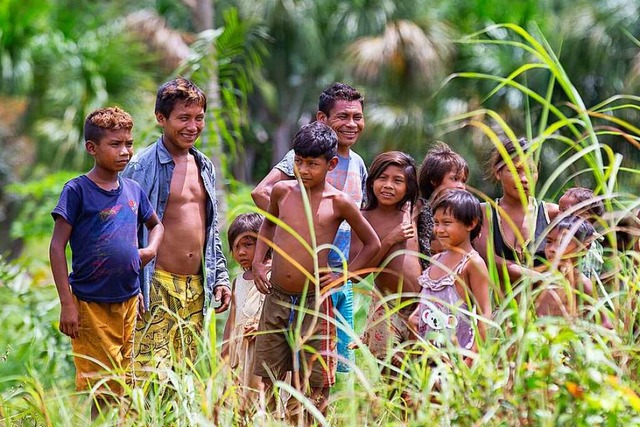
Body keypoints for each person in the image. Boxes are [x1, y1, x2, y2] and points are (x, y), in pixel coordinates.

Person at [251, 122, 380, 422]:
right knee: (269, 372)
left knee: (317, 378)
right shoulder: (282, 192)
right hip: (278, 297)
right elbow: (268, 224)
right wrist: (259, 261)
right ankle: (272, 420)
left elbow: (372, 244)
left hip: (316, 301)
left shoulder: (340, 203)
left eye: (312, 164)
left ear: (331, 164)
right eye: (299, 161)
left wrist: (344, 276)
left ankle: (311, 421)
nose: (304, 170)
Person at [49, 107, 164, 419]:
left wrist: (150, 250)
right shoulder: (77, 190)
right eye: (115, 144)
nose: (125, 151)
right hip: (89, 304)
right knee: (102, 385)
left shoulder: (133, 190)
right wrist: (67, 304)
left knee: (125, 380)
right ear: (92, 148)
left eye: (129, 143)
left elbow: (156, 225)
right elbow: (57, 248)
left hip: (128, 302)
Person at [252, 82, 368, 373]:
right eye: (343, 117)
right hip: (292, 280)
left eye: (357, 116)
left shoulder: (358, 165)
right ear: (323, 120)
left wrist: (350, 273)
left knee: (329, 366)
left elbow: (365, 226)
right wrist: (296, 233)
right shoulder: (301, 157)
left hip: (335, 280)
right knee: (279, 365)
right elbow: (261, 193)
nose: (351, 124)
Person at [121, 77, 231, 373]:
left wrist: (220, 276)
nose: (192, 127)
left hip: (197, 287)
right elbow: (126, 228)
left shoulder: (204, 165)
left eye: (199, 118)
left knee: (184, 376)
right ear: (161, 118)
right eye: (183, 118)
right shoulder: (143, 165)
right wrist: (134, 284)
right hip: (156, 284)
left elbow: (211, 229)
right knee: (148, 374)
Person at [350, 151, 423, 366]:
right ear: (371, 181)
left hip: (420, 303)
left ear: (409, 186)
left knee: (422, 369)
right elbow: (356, 274)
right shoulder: (363, 218)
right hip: (387, 305)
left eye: (398, 180)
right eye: (382, 178)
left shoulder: (415, 210)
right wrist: (389, 240)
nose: (388, 185)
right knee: (392, 369)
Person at [410, 189, 491, 362]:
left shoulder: (471, 264)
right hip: (428, 356)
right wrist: (416, 314)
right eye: (436, 223)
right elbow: (429, 297)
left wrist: (471, 358)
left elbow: (485, 314)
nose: (439, 230)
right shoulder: (436, 259)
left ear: (471, 223)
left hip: (457, 359)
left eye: (446, 223)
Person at [475, 137, 559, 293]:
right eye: (515, 171)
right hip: (498, 312)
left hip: (544, 312)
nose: (524, 179)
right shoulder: (484, 213)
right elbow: (489, 259)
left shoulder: (552, 214)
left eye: (530, 171)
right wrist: (541, 277)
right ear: (498, 172)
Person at [222, 213, 268, 414]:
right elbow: (231, 322)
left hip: (265, 350)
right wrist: (224, 353)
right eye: (236, 246)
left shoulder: (275, 275)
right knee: (241, 403)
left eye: (248, 245)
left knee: (265, 401)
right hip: (240, 351)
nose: (241, 252)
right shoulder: (238, 281)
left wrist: (262, 327)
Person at [534, 216, 612, 328]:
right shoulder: (541, 278)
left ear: (584, 248)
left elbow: (606, 324)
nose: (552, 249)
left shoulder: (580, 283)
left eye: (562, 242)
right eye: (549, 241)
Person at [417, 141, 469, 258]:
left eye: (463, 181)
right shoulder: (419, 209)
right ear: (434, 180)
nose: (461, 186)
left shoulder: (464, 213)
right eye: (454, 179)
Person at [558, 187, 605, 279]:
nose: (558, 215)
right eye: (559, 210)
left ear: (584, 216)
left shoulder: (589, 246)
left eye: (564, 210)